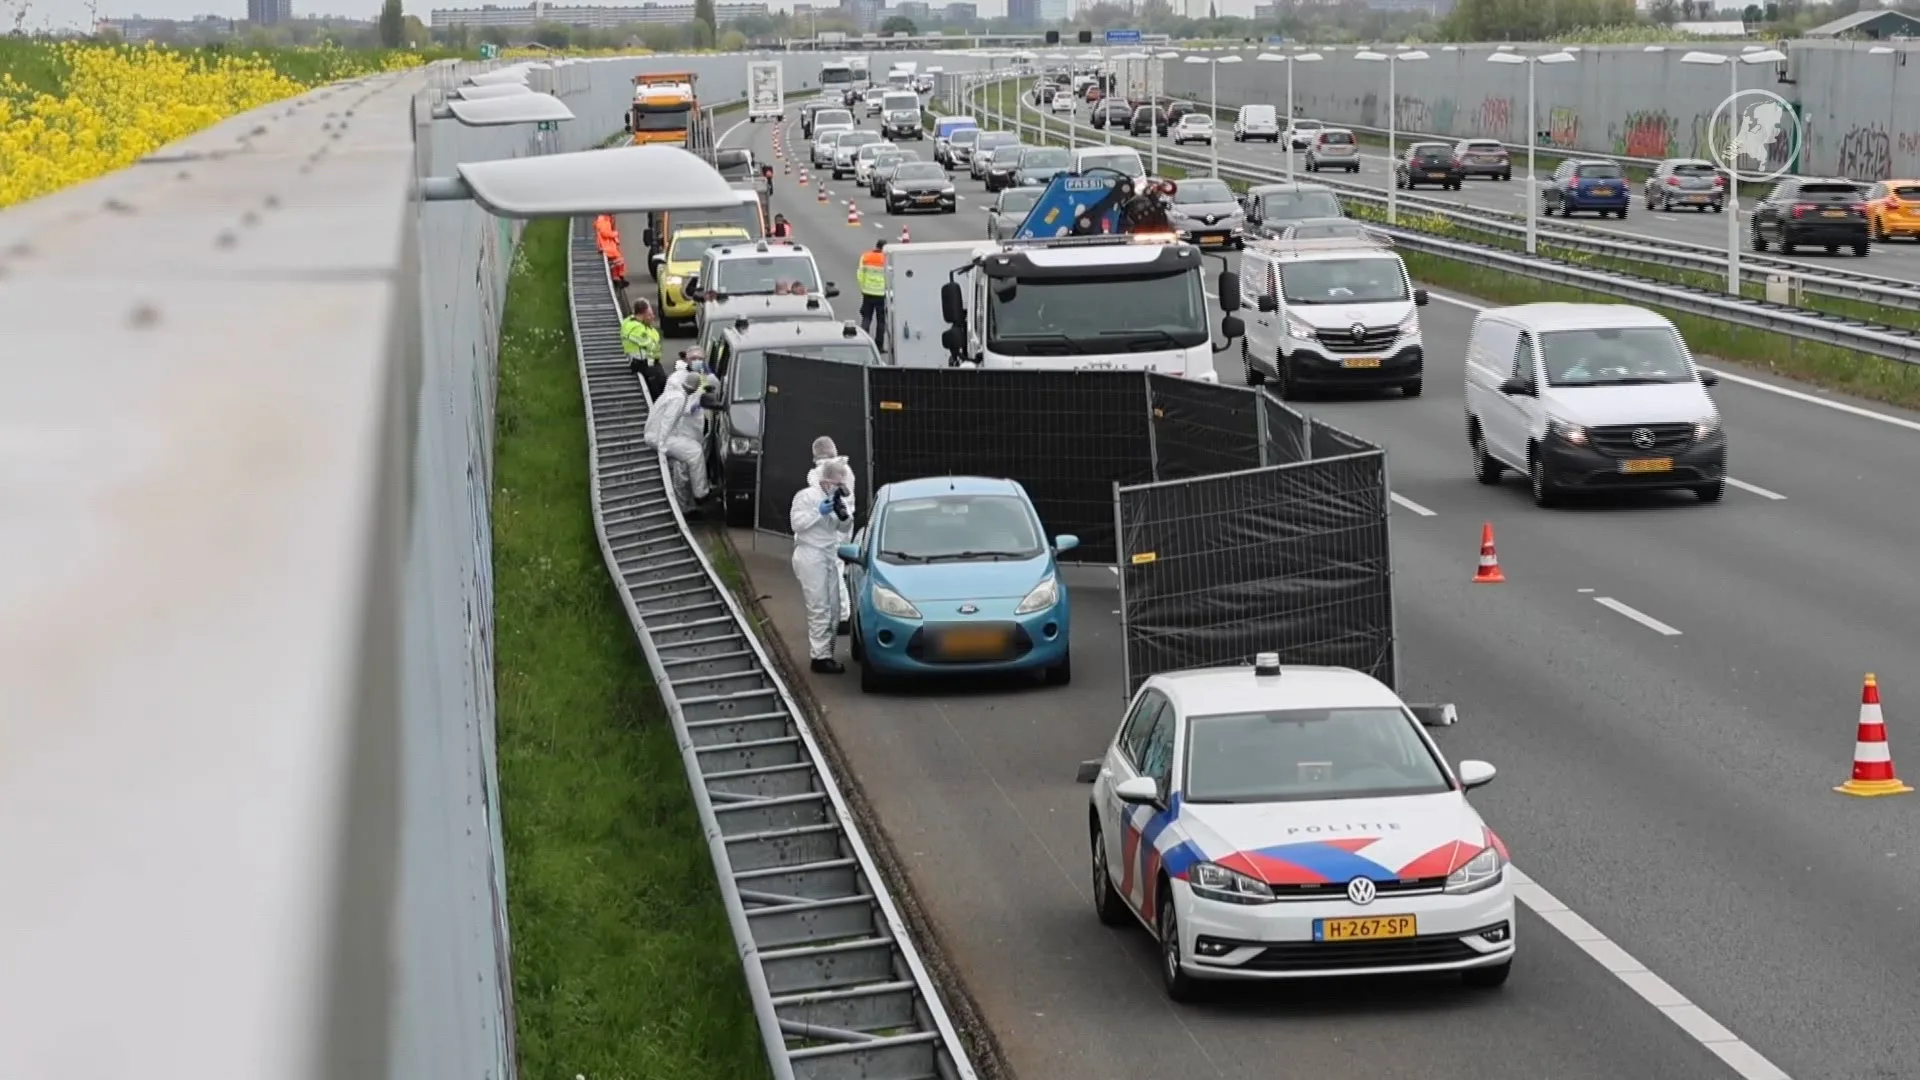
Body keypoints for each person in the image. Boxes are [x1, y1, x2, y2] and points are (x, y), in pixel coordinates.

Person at [790, 459, 857, 673]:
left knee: (834, 607)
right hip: (810, 554)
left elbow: (843, 526)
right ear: (828, 482)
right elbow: (797, 524)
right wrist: (819, 511)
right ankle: (819, 657)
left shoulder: (834, 498)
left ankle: (827, 652)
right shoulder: (806, 496)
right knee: (819, 606)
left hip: (828, 554)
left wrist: (843, 515)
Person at [808, 436, 856, 634]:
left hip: (830, 527)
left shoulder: (816, 474)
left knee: (832, 570)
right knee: (839, 565)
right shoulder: (847, 469)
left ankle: (843, 616)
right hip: (846, 523)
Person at [654, 370, 713, 507]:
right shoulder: (675, 384)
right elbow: (679, 409)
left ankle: (693, 502)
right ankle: (685, 506)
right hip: (681, 434)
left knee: (693, 469)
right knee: (681, 473)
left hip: (695, 433)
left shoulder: (702, 379)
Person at [622, 300, 664, 395]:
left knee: (664, 385)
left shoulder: (641, 325)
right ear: (644, 313)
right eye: (650, 313)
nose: (652, 317)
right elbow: (649, 344)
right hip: (643, 364)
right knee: (657, 392)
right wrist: (656, 348)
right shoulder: (634, 327)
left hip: (650, 363)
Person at [857, 239, 888, 339]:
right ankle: (879, 345)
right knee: (881, 321)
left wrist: (863, 287)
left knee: (866, 318)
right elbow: (889, 276)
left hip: (867, 292)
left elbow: (860, 274)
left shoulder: (865, 256)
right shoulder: (885, 259)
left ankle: (864, 340)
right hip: (880, 293)